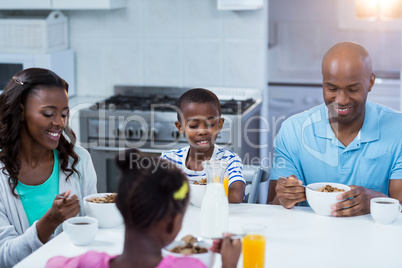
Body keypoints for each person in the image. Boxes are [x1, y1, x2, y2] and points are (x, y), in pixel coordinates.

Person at [267, 42, 402, 216]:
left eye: (353, 89)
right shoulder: (292, 131)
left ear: (370, 82)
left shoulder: (398, 129)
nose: (342, 100)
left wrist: (376, 202)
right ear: (323, 83)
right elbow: (272, 207)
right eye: (332, 88)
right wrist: (284, 197)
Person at [45, 148, 241, 268]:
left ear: (120, 207)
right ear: (173, 223)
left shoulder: (88, 263)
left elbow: (50, 263)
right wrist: (229, 265)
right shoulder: (188, 266)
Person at [0, 68, 97, 267]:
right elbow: (4, 257)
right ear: (21, 111)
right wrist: (49, 222)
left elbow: (94, 231)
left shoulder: (78, 161)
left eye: (64, 114)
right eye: (48, 113)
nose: (59, 123)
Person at [161, 88, 246, 203]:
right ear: (180, 127)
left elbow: (236, 196)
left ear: (220, 124)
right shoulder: (169, 160)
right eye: (193, 126)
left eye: (210, 124)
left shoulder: (229, 160)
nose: (202, 131)